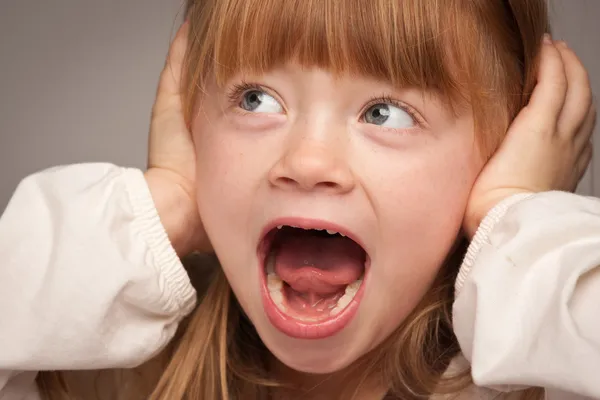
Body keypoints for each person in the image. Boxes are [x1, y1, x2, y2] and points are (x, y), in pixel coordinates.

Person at [0, 0, 597, 399]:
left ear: (507, 147)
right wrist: (168, 205)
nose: (308, 162)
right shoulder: (107, 375)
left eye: (384, 113)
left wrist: (515, 220)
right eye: (256, 99)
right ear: (189, 121)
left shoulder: (543, 369)